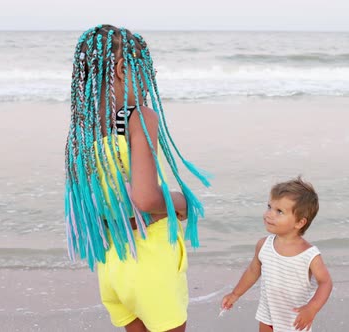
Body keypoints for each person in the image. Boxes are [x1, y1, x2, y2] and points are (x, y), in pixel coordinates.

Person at [64, 24, 210, 332]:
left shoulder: (84, 132)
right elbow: (145, 199)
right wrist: (184, 202)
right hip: (149, 264)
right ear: (120, 69)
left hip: (112, 265)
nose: (147, 82)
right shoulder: (138, 117)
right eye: (144, 71)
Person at [221, 177, 333, 332]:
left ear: (300, 222)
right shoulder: (264, 245)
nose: (269, 214)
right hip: (268, 314)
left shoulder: (309, 255)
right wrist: (235, 294)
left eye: (279, 211)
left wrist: (312, 308)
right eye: (269, 207)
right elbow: (253, 271)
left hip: (295, 319)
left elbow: (325, 283)